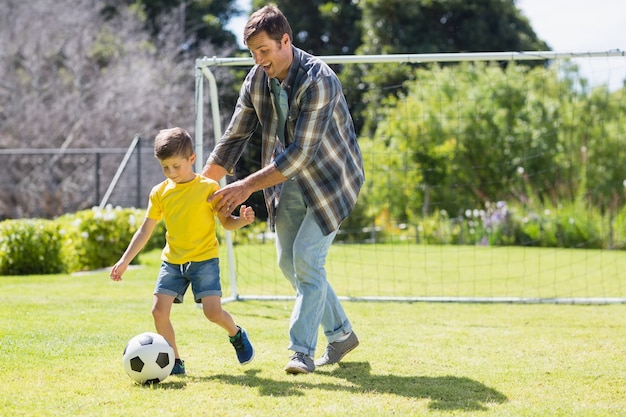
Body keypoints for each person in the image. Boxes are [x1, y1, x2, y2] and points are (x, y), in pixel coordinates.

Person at [202, 5, 364, 374]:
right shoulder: (257, 78)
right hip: (289, 180)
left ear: (285, 41)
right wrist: (200, 189)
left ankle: (301, 352)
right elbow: (234, 138)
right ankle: (341, 335)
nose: (259, 60)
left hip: (332, 179)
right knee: (287, 263)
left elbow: (299, 155)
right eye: (253, 53)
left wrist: (244, 186)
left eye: (264, 51)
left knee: (308, 259)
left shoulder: (319, 79)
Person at [110, 127, 255, 375]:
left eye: (176, 166)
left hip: (204, 260)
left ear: (192, 159)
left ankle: (236, 334)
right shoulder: (160, 193)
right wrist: (124, 261)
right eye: (165, 167)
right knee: (158, 311)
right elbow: (145, 230)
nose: (171, 173)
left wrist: (242, 220)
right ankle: (174, 361)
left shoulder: (209, 188)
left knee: (212, 313)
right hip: (173, 262)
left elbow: (227, 222)